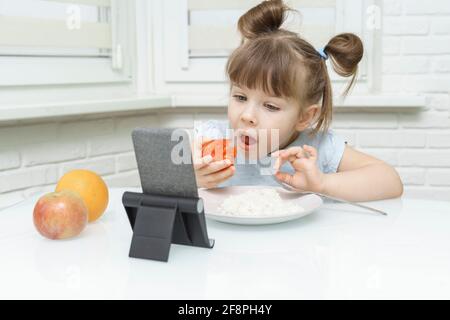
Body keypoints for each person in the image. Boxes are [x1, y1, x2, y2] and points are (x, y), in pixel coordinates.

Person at [193, 0, 403, 202]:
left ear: (305, 117)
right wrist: (189, 180)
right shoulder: (214, 139)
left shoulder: (317, 147)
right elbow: (161, 177)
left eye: (270, 106)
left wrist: (322, 184)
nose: (247, 116)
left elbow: (390, 181)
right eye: (240, 97)